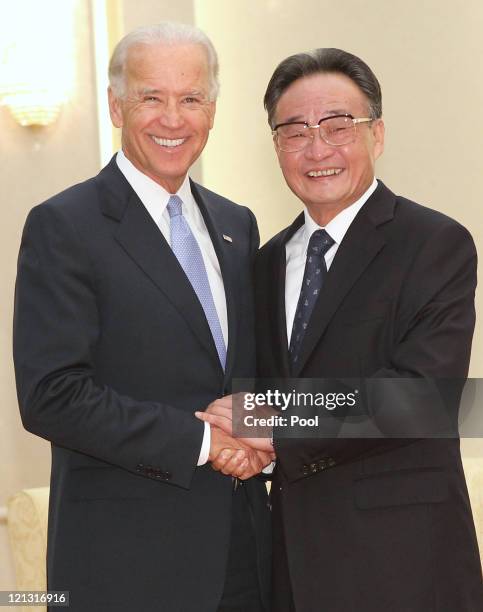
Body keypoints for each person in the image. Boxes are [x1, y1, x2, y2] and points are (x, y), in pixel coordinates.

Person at [198, 48, 483, 611]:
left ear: (376, 135)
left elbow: (420, 397)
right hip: (292, 566)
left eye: (337, 126)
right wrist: (232, 438)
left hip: (405, 564)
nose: (317, 148)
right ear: (276, 145)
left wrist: (272, 423)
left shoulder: (434, 244)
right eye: (295, 131)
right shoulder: (264, 261)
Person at [13, 22, 271, 612]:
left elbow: (242, 377)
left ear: (213, 111)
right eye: (151, 97)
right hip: (124, 568)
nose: (172, 119)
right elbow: (52, 395)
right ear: (115, 106)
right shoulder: (65, 226)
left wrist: (267, 430)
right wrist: (206, 441)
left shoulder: (238, 225)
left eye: (191, 99)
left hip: (245, 561)